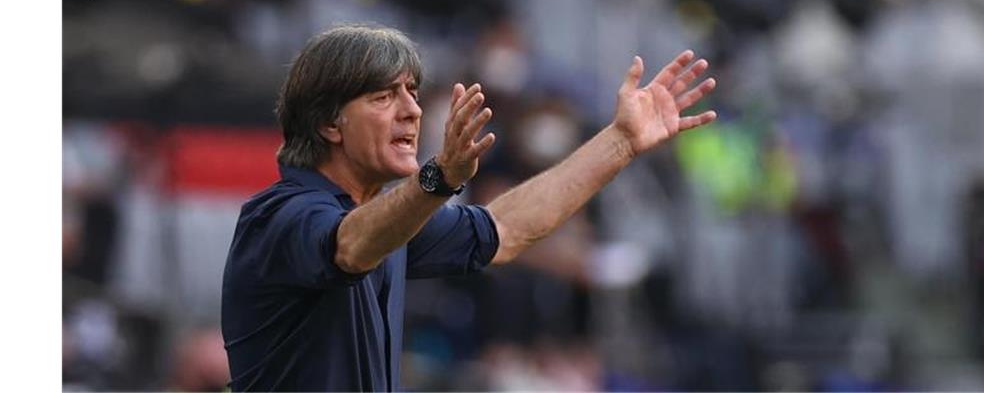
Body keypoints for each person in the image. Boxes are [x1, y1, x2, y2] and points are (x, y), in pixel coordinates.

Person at [221, 24, 717, 391]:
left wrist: (622, 142)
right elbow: (350, 247)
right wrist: (438, 180)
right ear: (330, 125)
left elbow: (506, 227)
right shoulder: (279, 216)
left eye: (412, 93)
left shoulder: (390, 222)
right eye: (382, 96)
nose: (412, 110)